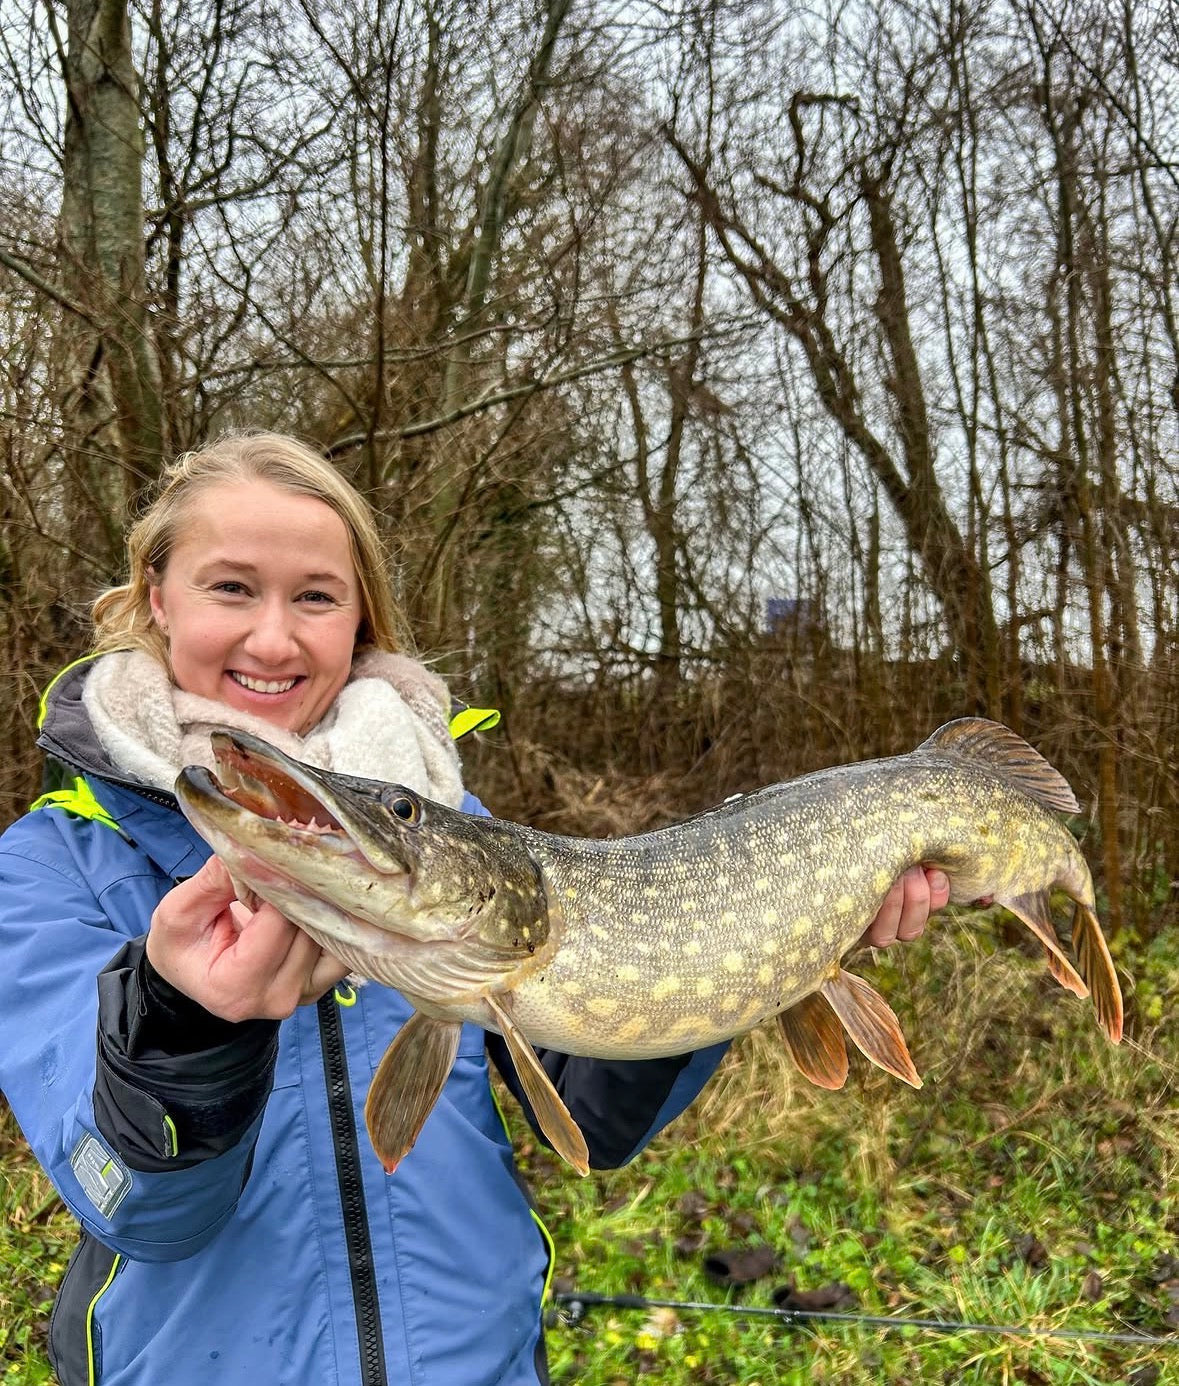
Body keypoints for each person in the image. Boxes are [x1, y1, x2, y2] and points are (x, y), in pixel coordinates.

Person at [0, 433, 949, 1386]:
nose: (275, 639)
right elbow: (125, 1201)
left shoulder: (462, 839)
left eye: (317, 596)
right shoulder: (51, 865)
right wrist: (184, 1026)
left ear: (361, 616)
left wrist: (764, 934)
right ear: (158, 598)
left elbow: (595, 1119)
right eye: (231, 588)